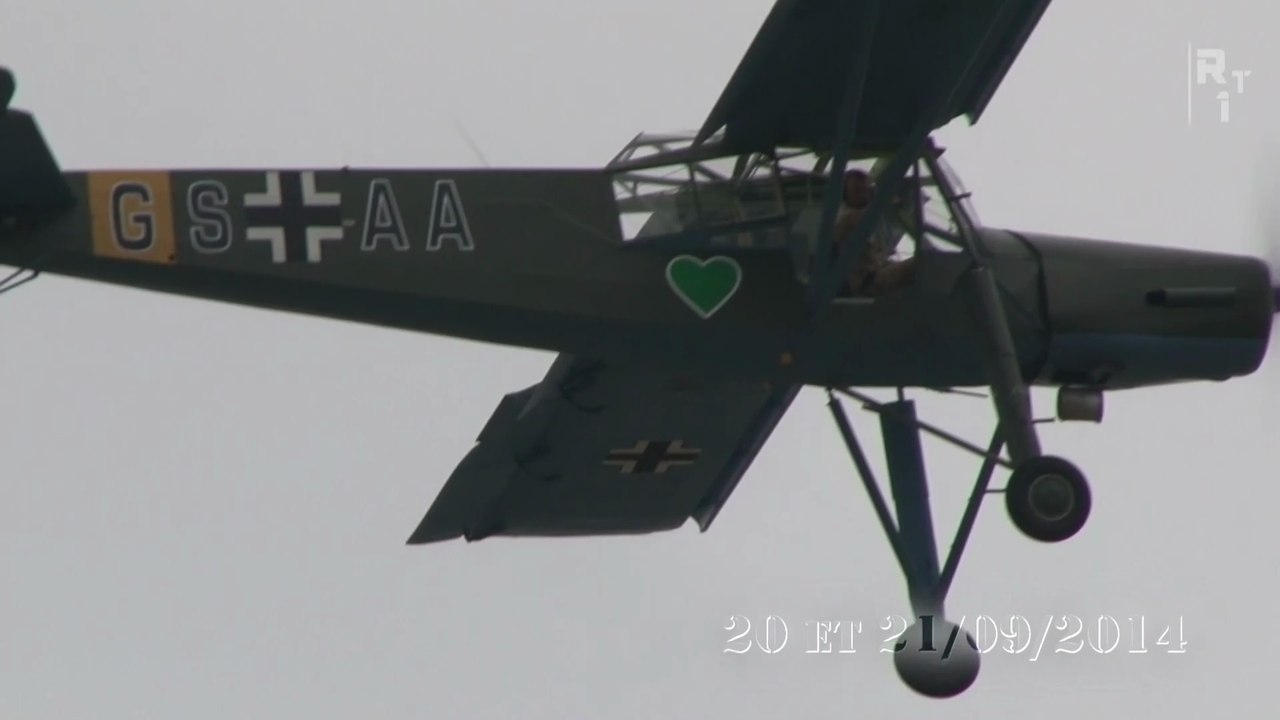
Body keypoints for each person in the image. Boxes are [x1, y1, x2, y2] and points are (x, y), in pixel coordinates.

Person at [833, 168, 917, 297]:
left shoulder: (872, 217)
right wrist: (881, 197)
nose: (863, 194)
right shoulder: (848, 217)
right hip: (867, 282)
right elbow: (855, 219)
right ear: (844, 193)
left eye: (865, 189)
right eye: (856, 190)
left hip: (879, 270)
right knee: (918, 264)